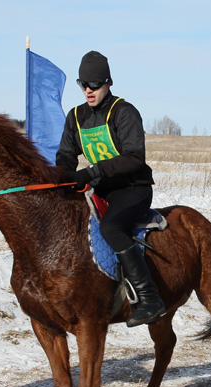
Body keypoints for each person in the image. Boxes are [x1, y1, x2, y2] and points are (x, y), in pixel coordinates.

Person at [56, 50, 164, 327]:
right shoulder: (76, 117)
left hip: (133, 189)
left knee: (111, 228)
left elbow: (133, 157)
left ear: (108, 82)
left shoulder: (124, 112)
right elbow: (66, 155)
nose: (88, 90)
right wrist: (64, 177)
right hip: (102, 189)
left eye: (94, 84)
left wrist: (92, 171)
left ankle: (149, 297)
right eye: (83, 85)